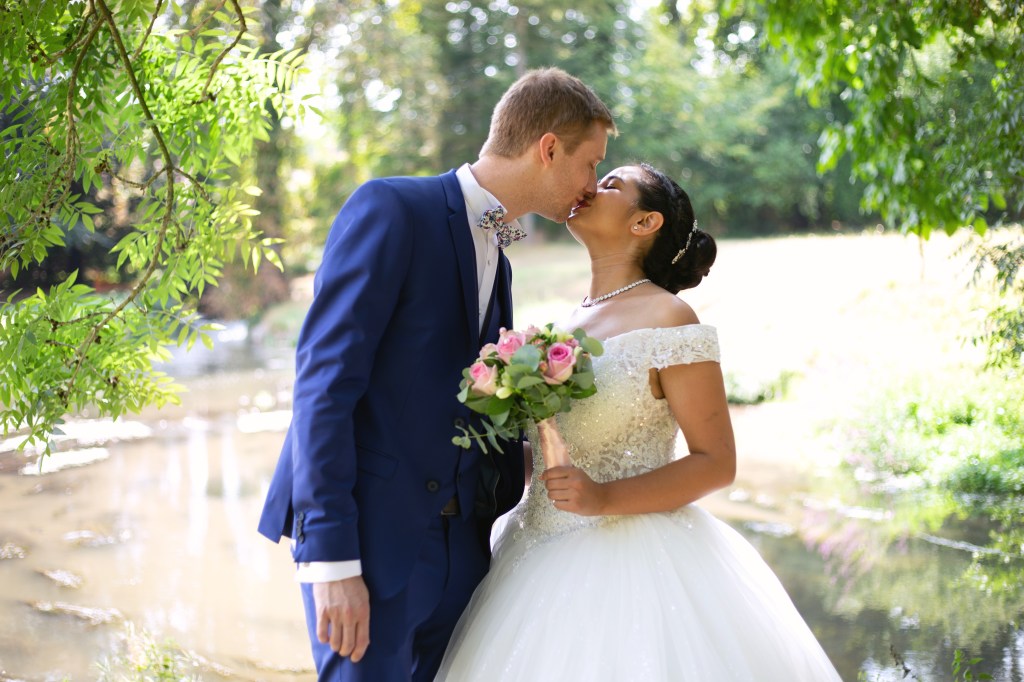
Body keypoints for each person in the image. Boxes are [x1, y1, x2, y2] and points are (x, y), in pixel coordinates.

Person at [256, 68, 615, 682]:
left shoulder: (498, 262)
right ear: (548, 148)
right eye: (590, 164)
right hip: (371, 545)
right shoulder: (392, 208)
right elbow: (324, 384)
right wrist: (333, 561)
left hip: (462, 554)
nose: (592, 184)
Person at [434, 163, 843, 681]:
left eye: (611, 185)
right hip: (534, 549)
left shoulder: (671, 318)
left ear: (644, 223)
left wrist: (602, 499)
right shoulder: (568, 325)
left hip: (632, 561)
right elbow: (561, 449)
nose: (590, 187)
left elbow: (716, 463)